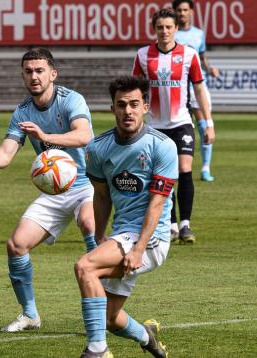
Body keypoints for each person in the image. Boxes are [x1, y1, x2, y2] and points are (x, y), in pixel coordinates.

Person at [0, 48, 96, 332]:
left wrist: (45, 137)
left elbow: (84, 135)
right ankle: (30, 315)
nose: (34, 77)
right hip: (55, 191)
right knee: (16, 245)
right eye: (28, 71)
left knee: (89, 226)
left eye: (39, 71)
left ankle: (105, 308)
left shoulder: (71, 100)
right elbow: (4, 157)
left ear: (52, 74)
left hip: (87, 184)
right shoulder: (23, 111)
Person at [75, 75, 176, 358]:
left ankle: (97, 350)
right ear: (112, 109)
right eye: (121, 105)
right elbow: (102, 195)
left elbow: (157, 203)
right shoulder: (97, 148)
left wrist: (139, 248)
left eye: (134, 104)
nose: (127, 111)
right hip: (122, 234)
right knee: (110, 318)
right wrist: (97, 236)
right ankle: (148, 337)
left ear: (146, 107)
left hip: (151, 238)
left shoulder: (163, 146)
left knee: (85, 268)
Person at [132, 7, 215, 244]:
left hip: (181, 122)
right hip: (154, 126)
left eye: (169, 27)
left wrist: (208, 123)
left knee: (184, 169)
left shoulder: (189, 55)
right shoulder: (143, 55)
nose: (164, 31)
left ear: (176, 28)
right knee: (160, 175)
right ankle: (170, 224)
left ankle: (186, 225)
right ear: (154, 29)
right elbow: (136, 90)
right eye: (160, 27)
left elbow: (199, 88)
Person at [173, 0, 219, 182]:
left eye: (185, 10)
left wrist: (209, 68)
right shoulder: (171, 32)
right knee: (174, 129)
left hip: (196, 87)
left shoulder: (199, 34)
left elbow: (201, 58)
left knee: (203, 126)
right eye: (179, 10)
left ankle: (205, 168)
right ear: (174, 12)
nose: (182, 13)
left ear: (191, 12)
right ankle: (174, 166)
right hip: (177, 88)